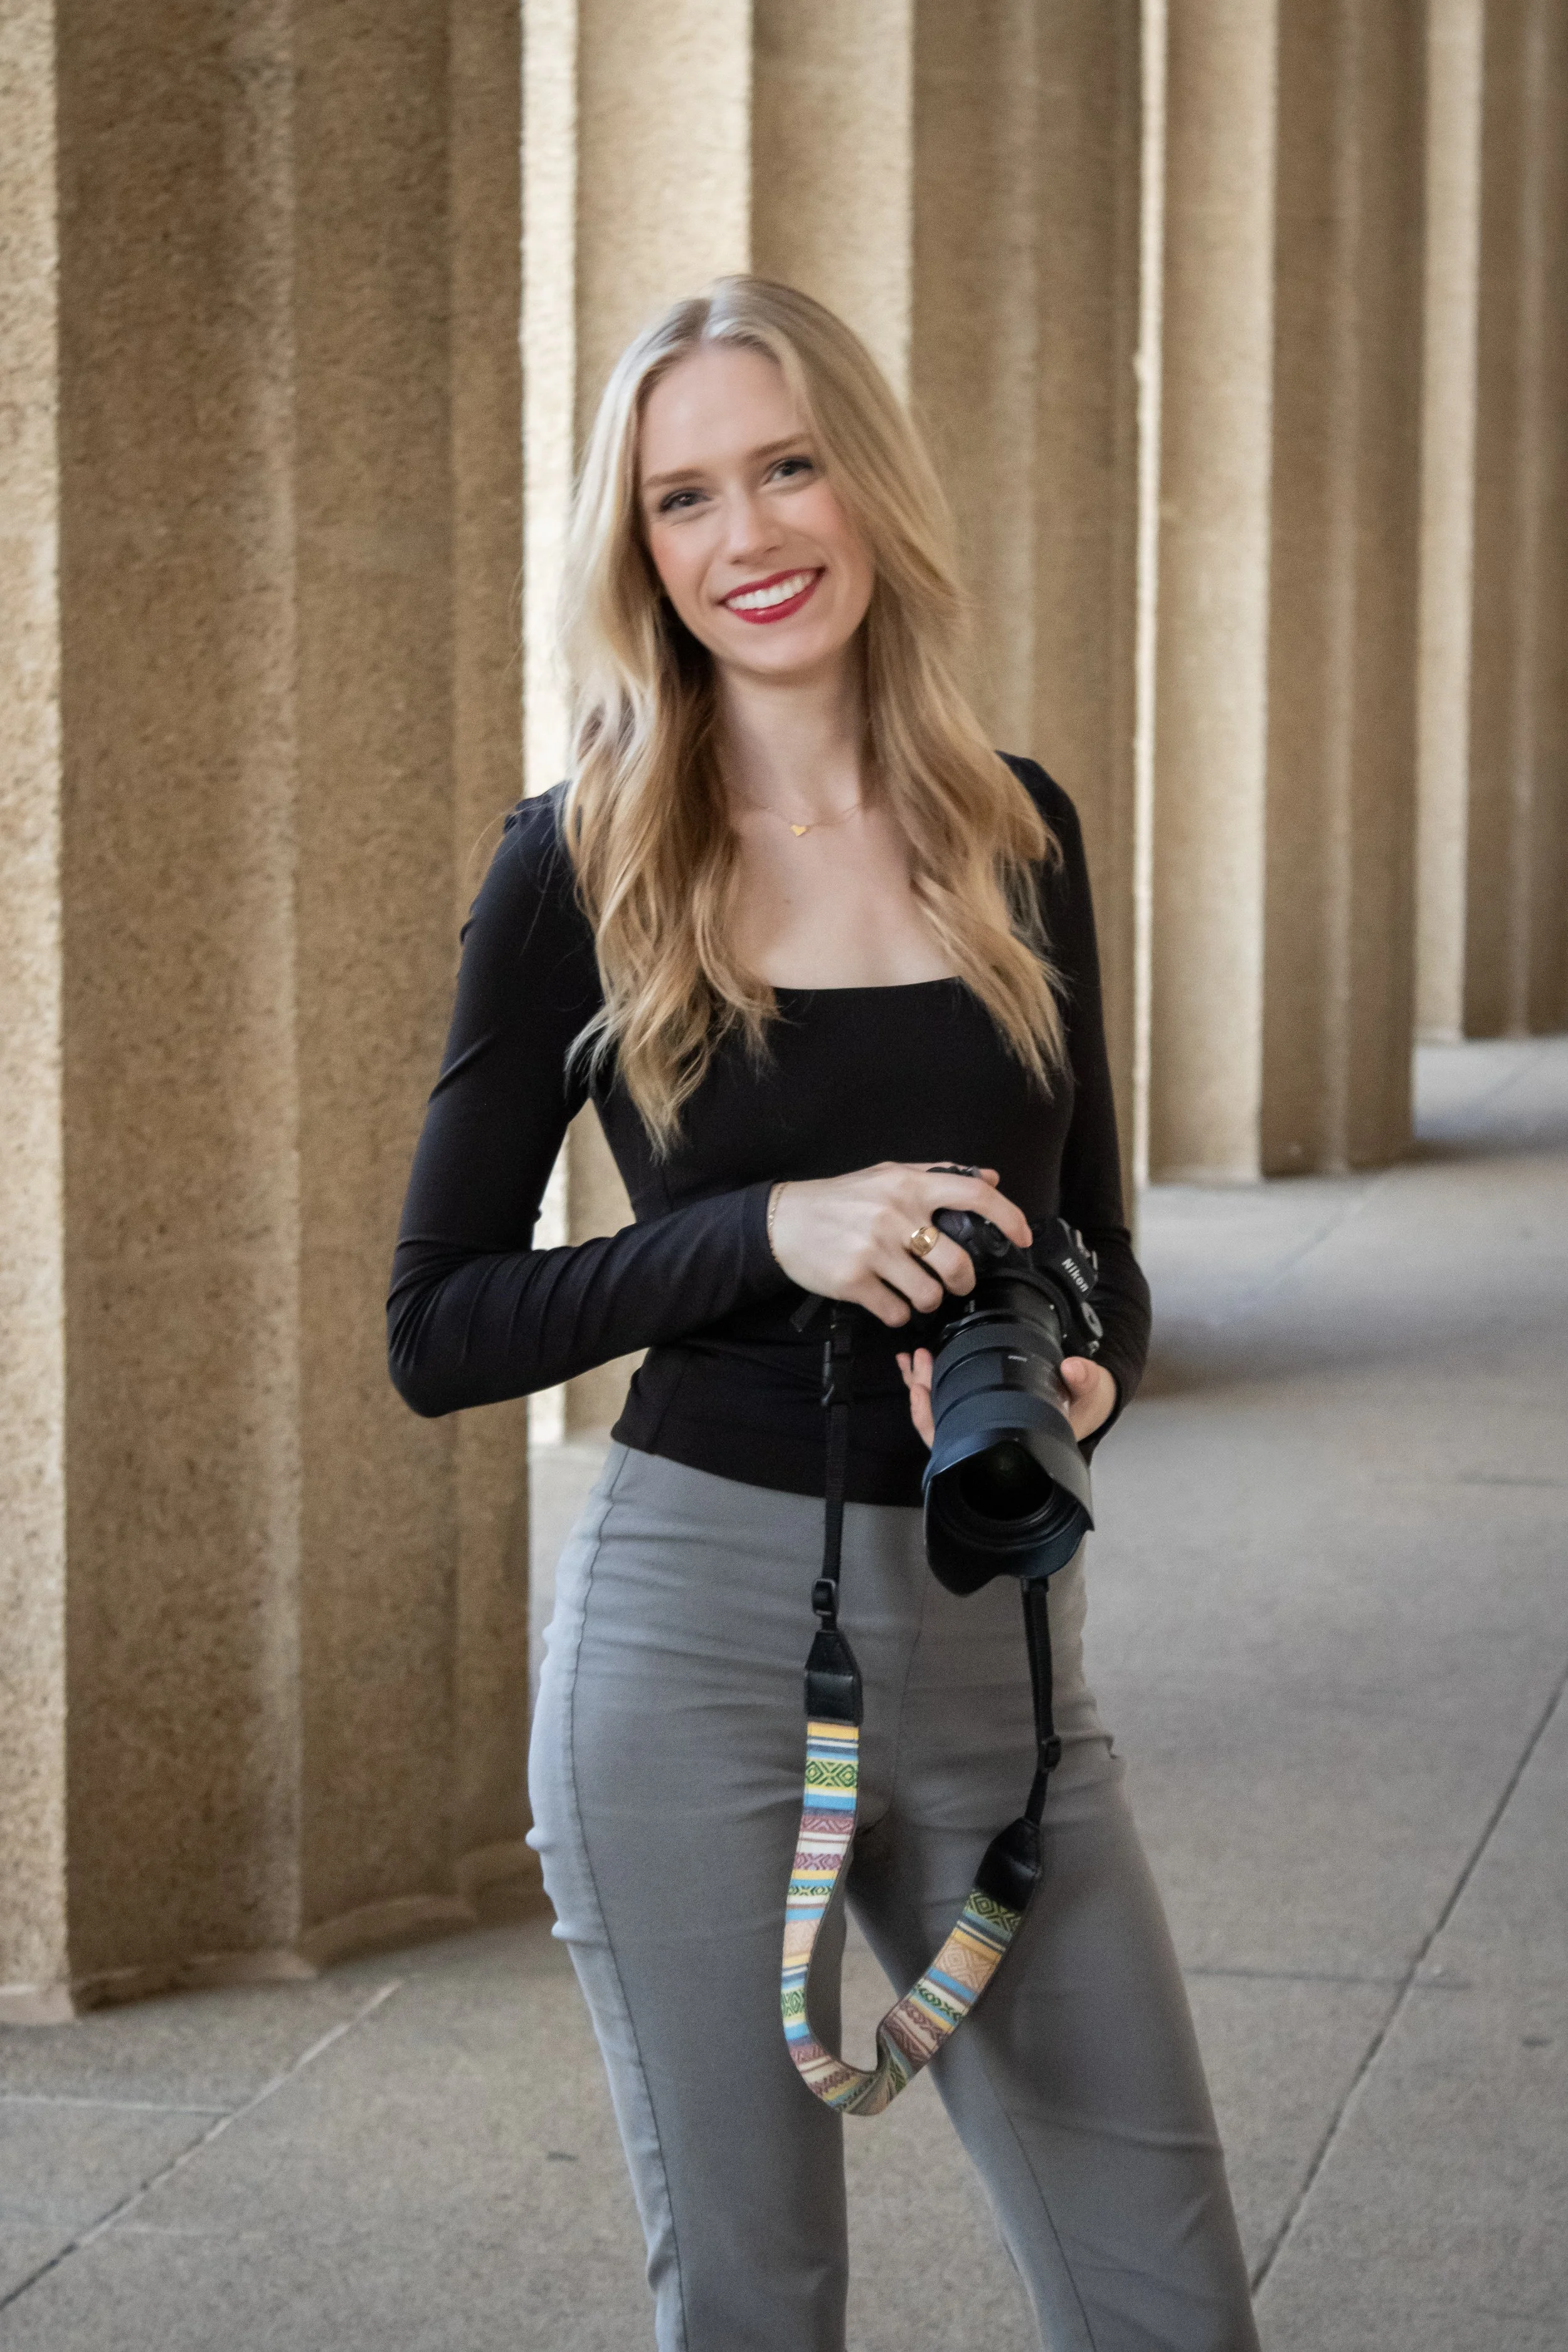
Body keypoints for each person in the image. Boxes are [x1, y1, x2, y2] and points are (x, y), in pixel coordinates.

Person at [388, 277, 1258, 2352]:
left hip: (997, 1641)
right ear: (639, 551)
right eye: (685, 498)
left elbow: (1102, 1246)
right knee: (760, 2298)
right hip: (691, 1640)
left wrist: (1082, 1371)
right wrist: (758, 1232)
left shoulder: (1012, 829)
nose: (749, 536)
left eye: (786, 467)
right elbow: (440, 1324)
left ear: (866, 485)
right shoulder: (576, 863)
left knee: (1169, 2295)